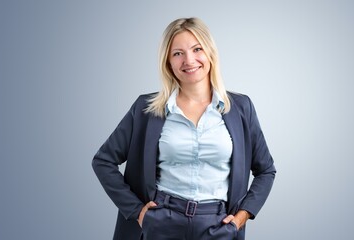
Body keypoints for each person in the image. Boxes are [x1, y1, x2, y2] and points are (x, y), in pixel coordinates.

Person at [92, 17, 276, 240]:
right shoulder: (146, 109)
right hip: (161, 222)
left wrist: (241, 218)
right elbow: (103, 161)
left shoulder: (241, 108)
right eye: (177, 53)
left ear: (210, 53)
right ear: (168, 62)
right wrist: (138, 212)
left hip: (218, 225)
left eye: (196, 49)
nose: (189, 60)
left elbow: (265, 170)